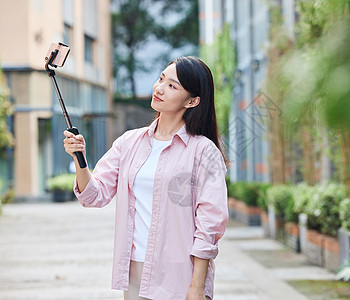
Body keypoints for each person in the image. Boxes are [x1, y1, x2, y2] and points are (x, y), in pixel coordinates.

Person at [63, 56, 228, 300]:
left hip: (179, 274)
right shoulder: (129, 142)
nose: (159, 88)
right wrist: (80, 158)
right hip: (134, 271)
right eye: (161, 78)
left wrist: (197, 287)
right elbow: (93, 197)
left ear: (192, 101)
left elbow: (209, 223)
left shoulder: (203, 151)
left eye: (172, 86)